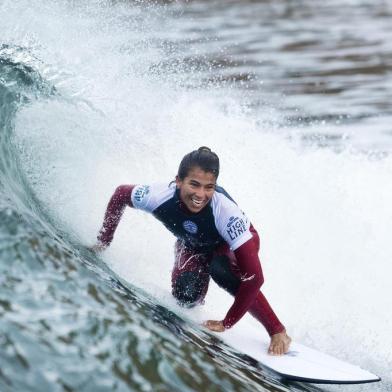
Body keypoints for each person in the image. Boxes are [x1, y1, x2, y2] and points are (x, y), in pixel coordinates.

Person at [92, 146, 291, 355]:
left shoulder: (226, 213)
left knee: (221, 269)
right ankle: (198, 294)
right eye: (194, 184)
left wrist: (227, 323)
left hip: (229, 248)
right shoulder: (158, 195)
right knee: (185, 297)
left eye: (209, 187)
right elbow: (120, 195)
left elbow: (255, 277)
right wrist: (103, 242)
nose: (200, 194)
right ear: (178, 181)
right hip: (193, 244)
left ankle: (278, 330)